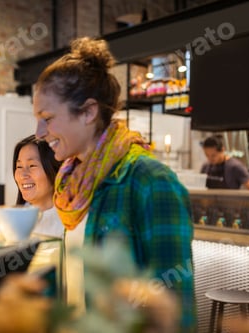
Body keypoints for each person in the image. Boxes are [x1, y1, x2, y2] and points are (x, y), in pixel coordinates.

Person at [33, 37, 196, 332]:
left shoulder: (149, 181)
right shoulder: (71, 184)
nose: (39, 132)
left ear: (88, 112)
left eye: (47, 118)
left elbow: (175, 312)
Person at [13, 134, 64, 238]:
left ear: (54, 170)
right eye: (19, 166)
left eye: (32, 165)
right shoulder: (13, 221)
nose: (23, 175)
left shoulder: (69, 224)